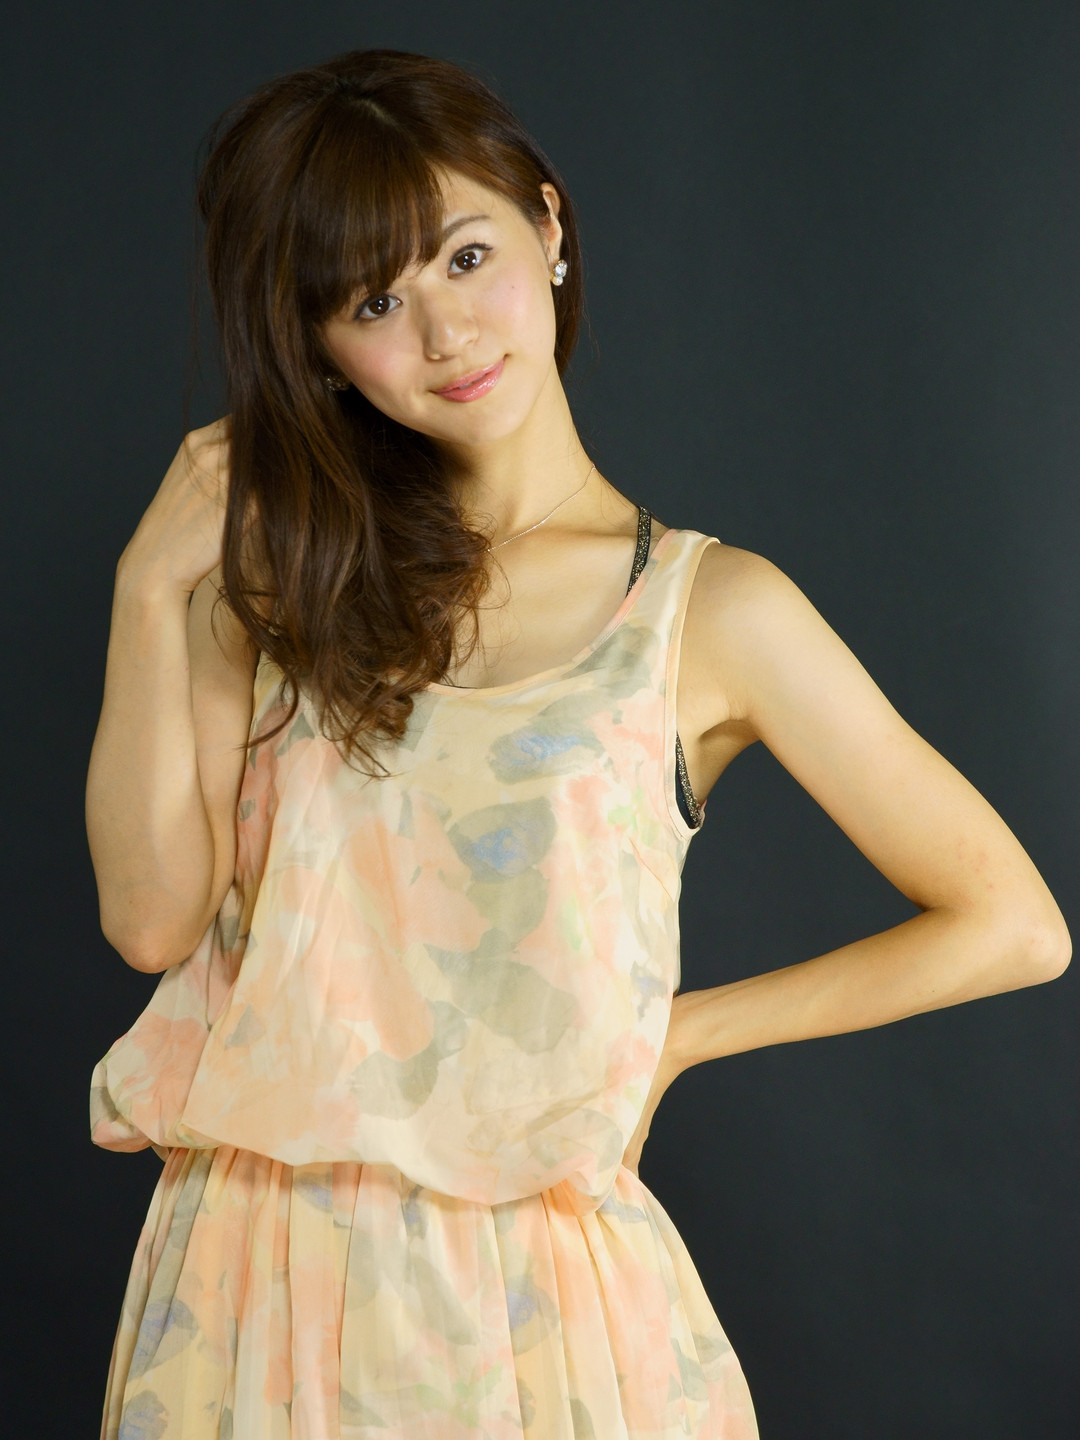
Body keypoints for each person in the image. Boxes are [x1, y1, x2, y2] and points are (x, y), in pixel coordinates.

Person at [85, 47, 1070, 1440]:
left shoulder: (706, 611)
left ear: (549, 226)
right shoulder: (273, 592)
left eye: (466, 256)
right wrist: (147, 588)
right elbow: (148, 923)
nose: (445, 333)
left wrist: (675, 1041)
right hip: (254, 1281)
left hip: (531, 1309)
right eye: (375, 301)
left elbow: (1015, 924)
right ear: (320, 347)